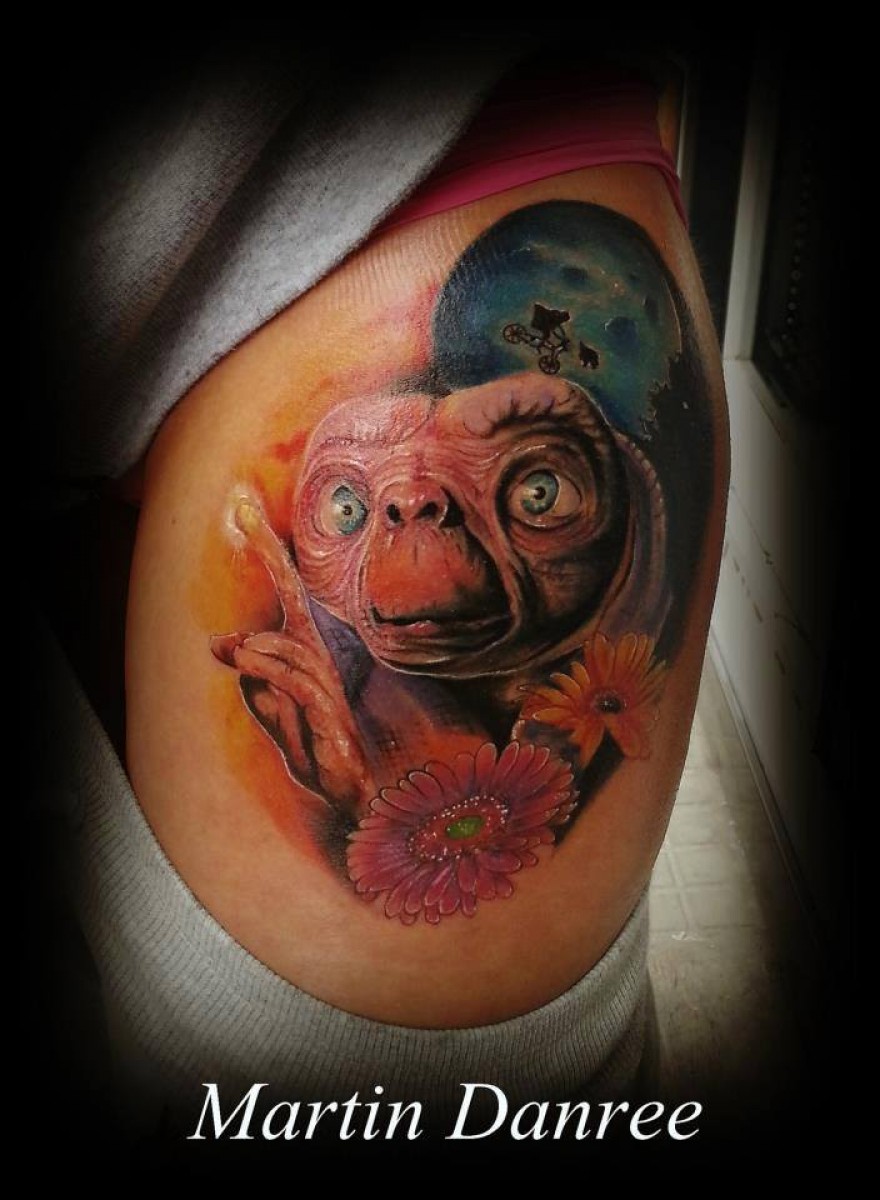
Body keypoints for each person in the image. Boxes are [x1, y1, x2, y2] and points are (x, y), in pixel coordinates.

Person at [34, 34, 728, 1161]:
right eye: (353, 505)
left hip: (407, 183)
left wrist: (369, 803)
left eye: (537, 491)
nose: (416, 512)